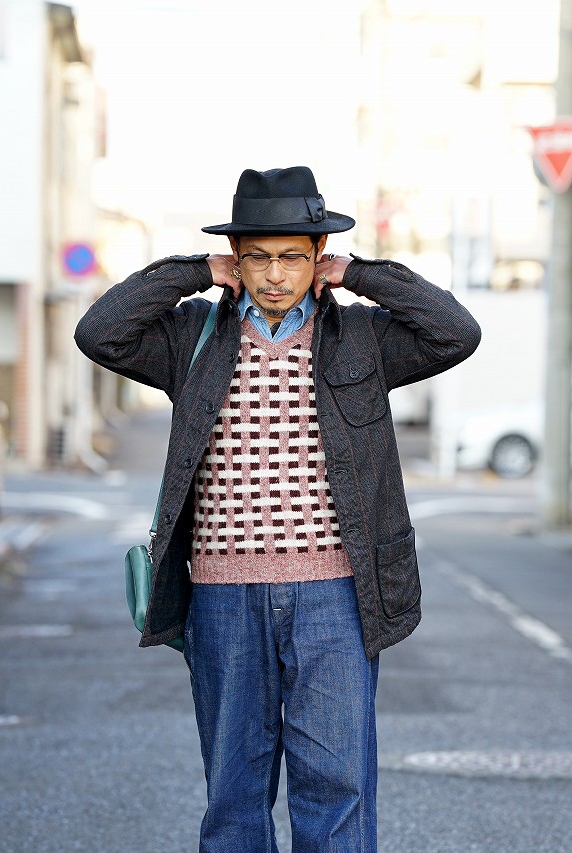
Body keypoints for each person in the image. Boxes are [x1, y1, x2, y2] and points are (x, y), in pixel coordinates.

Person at [75, 166, 481, 852]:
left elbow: (455, 332)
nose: (273, 275)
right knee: (234, 798)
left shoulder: (362, 337)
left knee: (337, 790)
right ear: (235, 257)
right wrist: (193, 271)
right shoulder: (193, 336)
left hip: (337, 595)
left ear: (318, 256)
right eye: (256, 256)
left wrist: (361, 275)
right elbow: (100, 332)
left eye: (292, 256)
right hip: (222, 597)